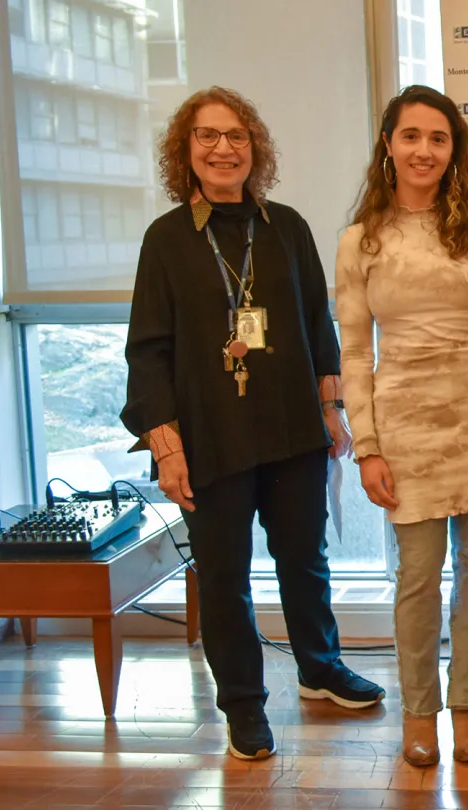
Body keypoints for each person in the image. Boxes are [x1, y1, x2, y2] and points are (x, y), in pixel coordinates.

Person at [121, 87, 385, 761]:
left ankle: (320, 668)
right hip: (210, 435)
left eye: (236, 136)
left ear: (255, 148)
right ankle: (243, 704)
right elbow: (148, 349)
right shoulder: (167, 240)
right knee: (225, 577)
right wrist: (165, 446)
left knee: (305, 558)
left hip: (292, 427)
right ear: (187, 152)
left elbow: (316, 326)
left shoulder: (287, 228)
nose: (223, 148)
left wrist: (331, 410)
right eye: (207, 136)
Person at [336, 85, 468, 768]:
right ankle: (420, 710)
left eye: (438, 138)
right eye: (411, 135)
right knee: (417, 576)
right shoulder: (360, 240)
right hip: (406, 424)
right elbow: (355, 352)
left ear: (454, 151)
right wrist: (367, 447)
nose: (424, 149)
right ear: (388, 143)